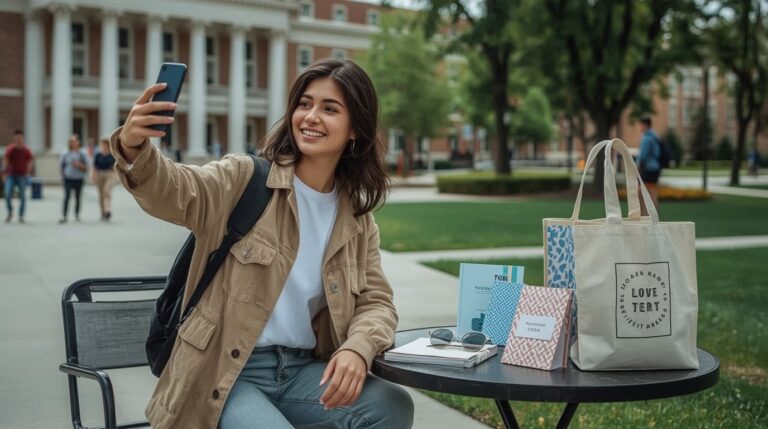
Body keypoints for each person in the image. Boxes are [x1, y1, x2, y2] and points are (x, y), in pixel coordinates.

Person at [111, 58, 414, 429]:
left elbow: (377, 301)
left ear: (355, 129)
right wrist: (133, 146)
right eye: (304, 104)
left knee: (391, 406)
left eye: (330, 109)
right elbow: (175, 189)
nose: (311, 116)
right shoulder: (245, 179)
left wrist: (359, 347)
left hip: (302, 370)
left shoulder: (356, 218)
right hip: (224, 372)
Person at [3, 129, 35, 223]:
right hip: (11, 175)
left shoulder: (26, 150)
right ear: (14, 138)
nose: (18, 139)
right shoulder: (10, 149)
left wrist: (28, 172)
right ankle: (10, 212)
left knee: (22, 196)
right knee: (8, 194)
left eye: (20, 137)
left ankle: (21, 215)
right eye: (17, 137)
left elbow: (30, 161)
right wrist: (4, 173)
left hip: (22, 175)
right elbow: (6, 160)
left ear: (23, 138)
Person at [59, 134, 89, 223]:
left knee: (78, 197)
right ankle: (64, 215)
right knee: (67, 196)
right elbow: (62, 166)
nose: (72, 143)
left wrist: (79, 165)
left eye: (74, 141)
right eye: (71, 142)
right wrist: (62, 177)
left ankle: (77, 214)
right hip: (68, 178)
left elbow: (87, 166)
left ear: (78, 142)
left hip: (79, 178)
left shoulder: (82, 153)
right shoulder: (65, 153)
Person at [636, 117, 661, 214]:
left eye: (640, 125)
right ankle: (653, 214)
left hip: (648, 168)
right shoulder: (655, 136)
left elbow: (643, 156)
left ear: (645, 125)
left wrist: (637, 168)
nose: (639, 127)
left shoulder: (646, 138)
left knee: (642, 192)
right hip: (655, 168)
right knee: (652, 191)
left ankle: (645, 213)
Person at [92, 137, 117, 221]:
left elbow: (116, 166)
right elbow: (95, 166)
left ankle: (108, 210)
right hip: (99, 174)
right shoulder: (98, 155)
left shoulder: (112, 155)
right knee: (101, 195)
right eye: (102, 144)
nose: (103, 146)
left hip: (110, 174)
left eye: (105, 144)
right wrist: (93, 175)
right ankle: (103, 213)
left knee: (107, 191)